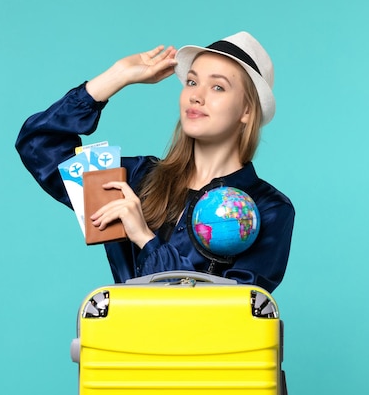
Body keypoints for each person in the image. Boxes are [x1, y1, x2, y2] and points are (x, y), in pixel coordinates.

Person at [15, 31, 295, 293]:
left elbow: (228, 314)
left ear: (247, 110)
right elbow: (38, 144)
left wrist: (145, 239)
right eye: (192, 82)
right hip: (122, 344)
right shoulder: (137, 179)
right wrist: (116, 77)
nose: (196, 96)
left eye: (218, 87)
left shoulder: (268, 209)